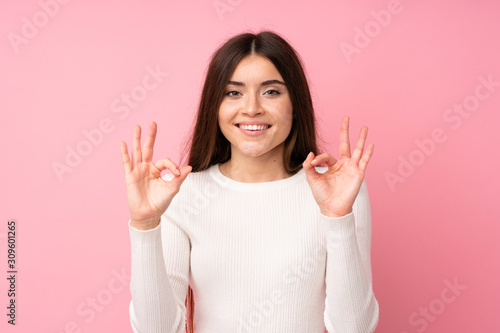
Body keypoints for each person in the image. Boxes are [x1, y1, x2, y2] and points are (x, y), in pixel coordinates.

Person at [120, 30, 379, 332]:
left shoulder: (338, 192)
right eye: (234, 92)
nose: (252, 107)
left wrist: (338, 218)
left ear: (295, 104)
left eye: (271, 91)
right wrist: (145, 224)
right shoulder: (181, 193)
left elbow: (355, 328)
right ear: (214, 106)